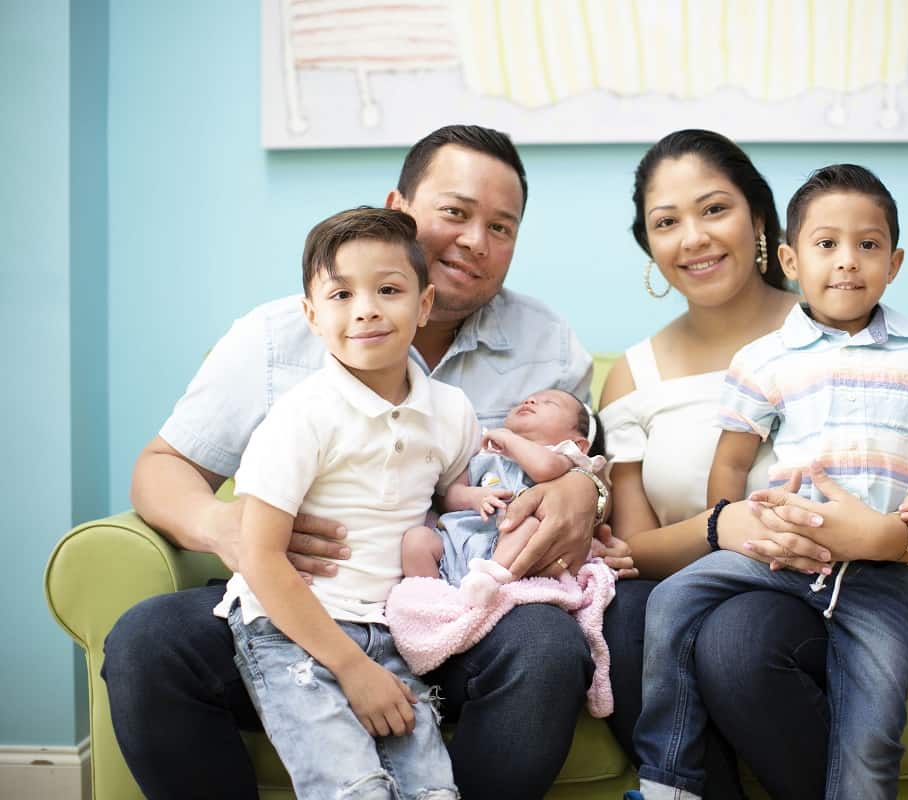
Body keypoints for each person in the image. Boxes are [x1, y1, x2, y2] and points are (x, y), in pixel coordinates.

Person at [105, 124, 633, 800]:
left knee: (547, 647)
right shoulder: (276, 338)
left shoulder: (547, 343)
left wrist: (582, 494)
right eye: (455, 212)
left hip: (451, 610)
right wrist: (225, 527)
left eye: (502, 228)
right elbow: (161, 466)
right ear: (400, 206)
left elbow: (579, 464)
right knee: (148, 642)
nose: (476, 240)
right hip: (306, 601)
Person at [599, 130, 908, 799]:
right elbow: (632, 550)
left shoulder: (865, 335)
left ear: (760, 220)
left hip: (874, 587)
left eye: (713, 209)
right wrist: (724, 526)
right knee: (648, 619)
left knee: (736, 644)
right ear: (648, 243)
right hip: (742, 576)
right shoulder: (634, 376)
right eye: (667, 222)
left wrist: (887, 538)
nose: (693, 237)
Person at [218, 207, 472, 799]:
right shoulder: (301, 418)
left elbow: (454, 497)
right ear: (311, 314)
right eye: (341, 294)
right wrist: (353, 669)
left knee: (432, 792)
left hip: (394, 625)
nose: (366, 309)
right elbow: (259, 557)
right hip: (291, 626)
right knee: (353, 788)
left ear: (425, 304)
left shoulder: (451, 411)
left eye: (388, 289)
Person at [402, 388, 607, 603]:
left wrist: (508, 438)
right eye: (529, 398)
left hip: (505, 547)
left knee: (528, 525)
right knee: (416, 540)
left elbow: (545, 467)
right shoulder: (486, 453)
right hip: (459, 542)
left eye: (549, 403)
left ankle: (487, 578)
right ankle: (432, 605)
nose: (531, 400)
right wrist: (473, 497)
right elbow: (449, 496)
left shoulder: (562, 457)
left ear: (578, 444)